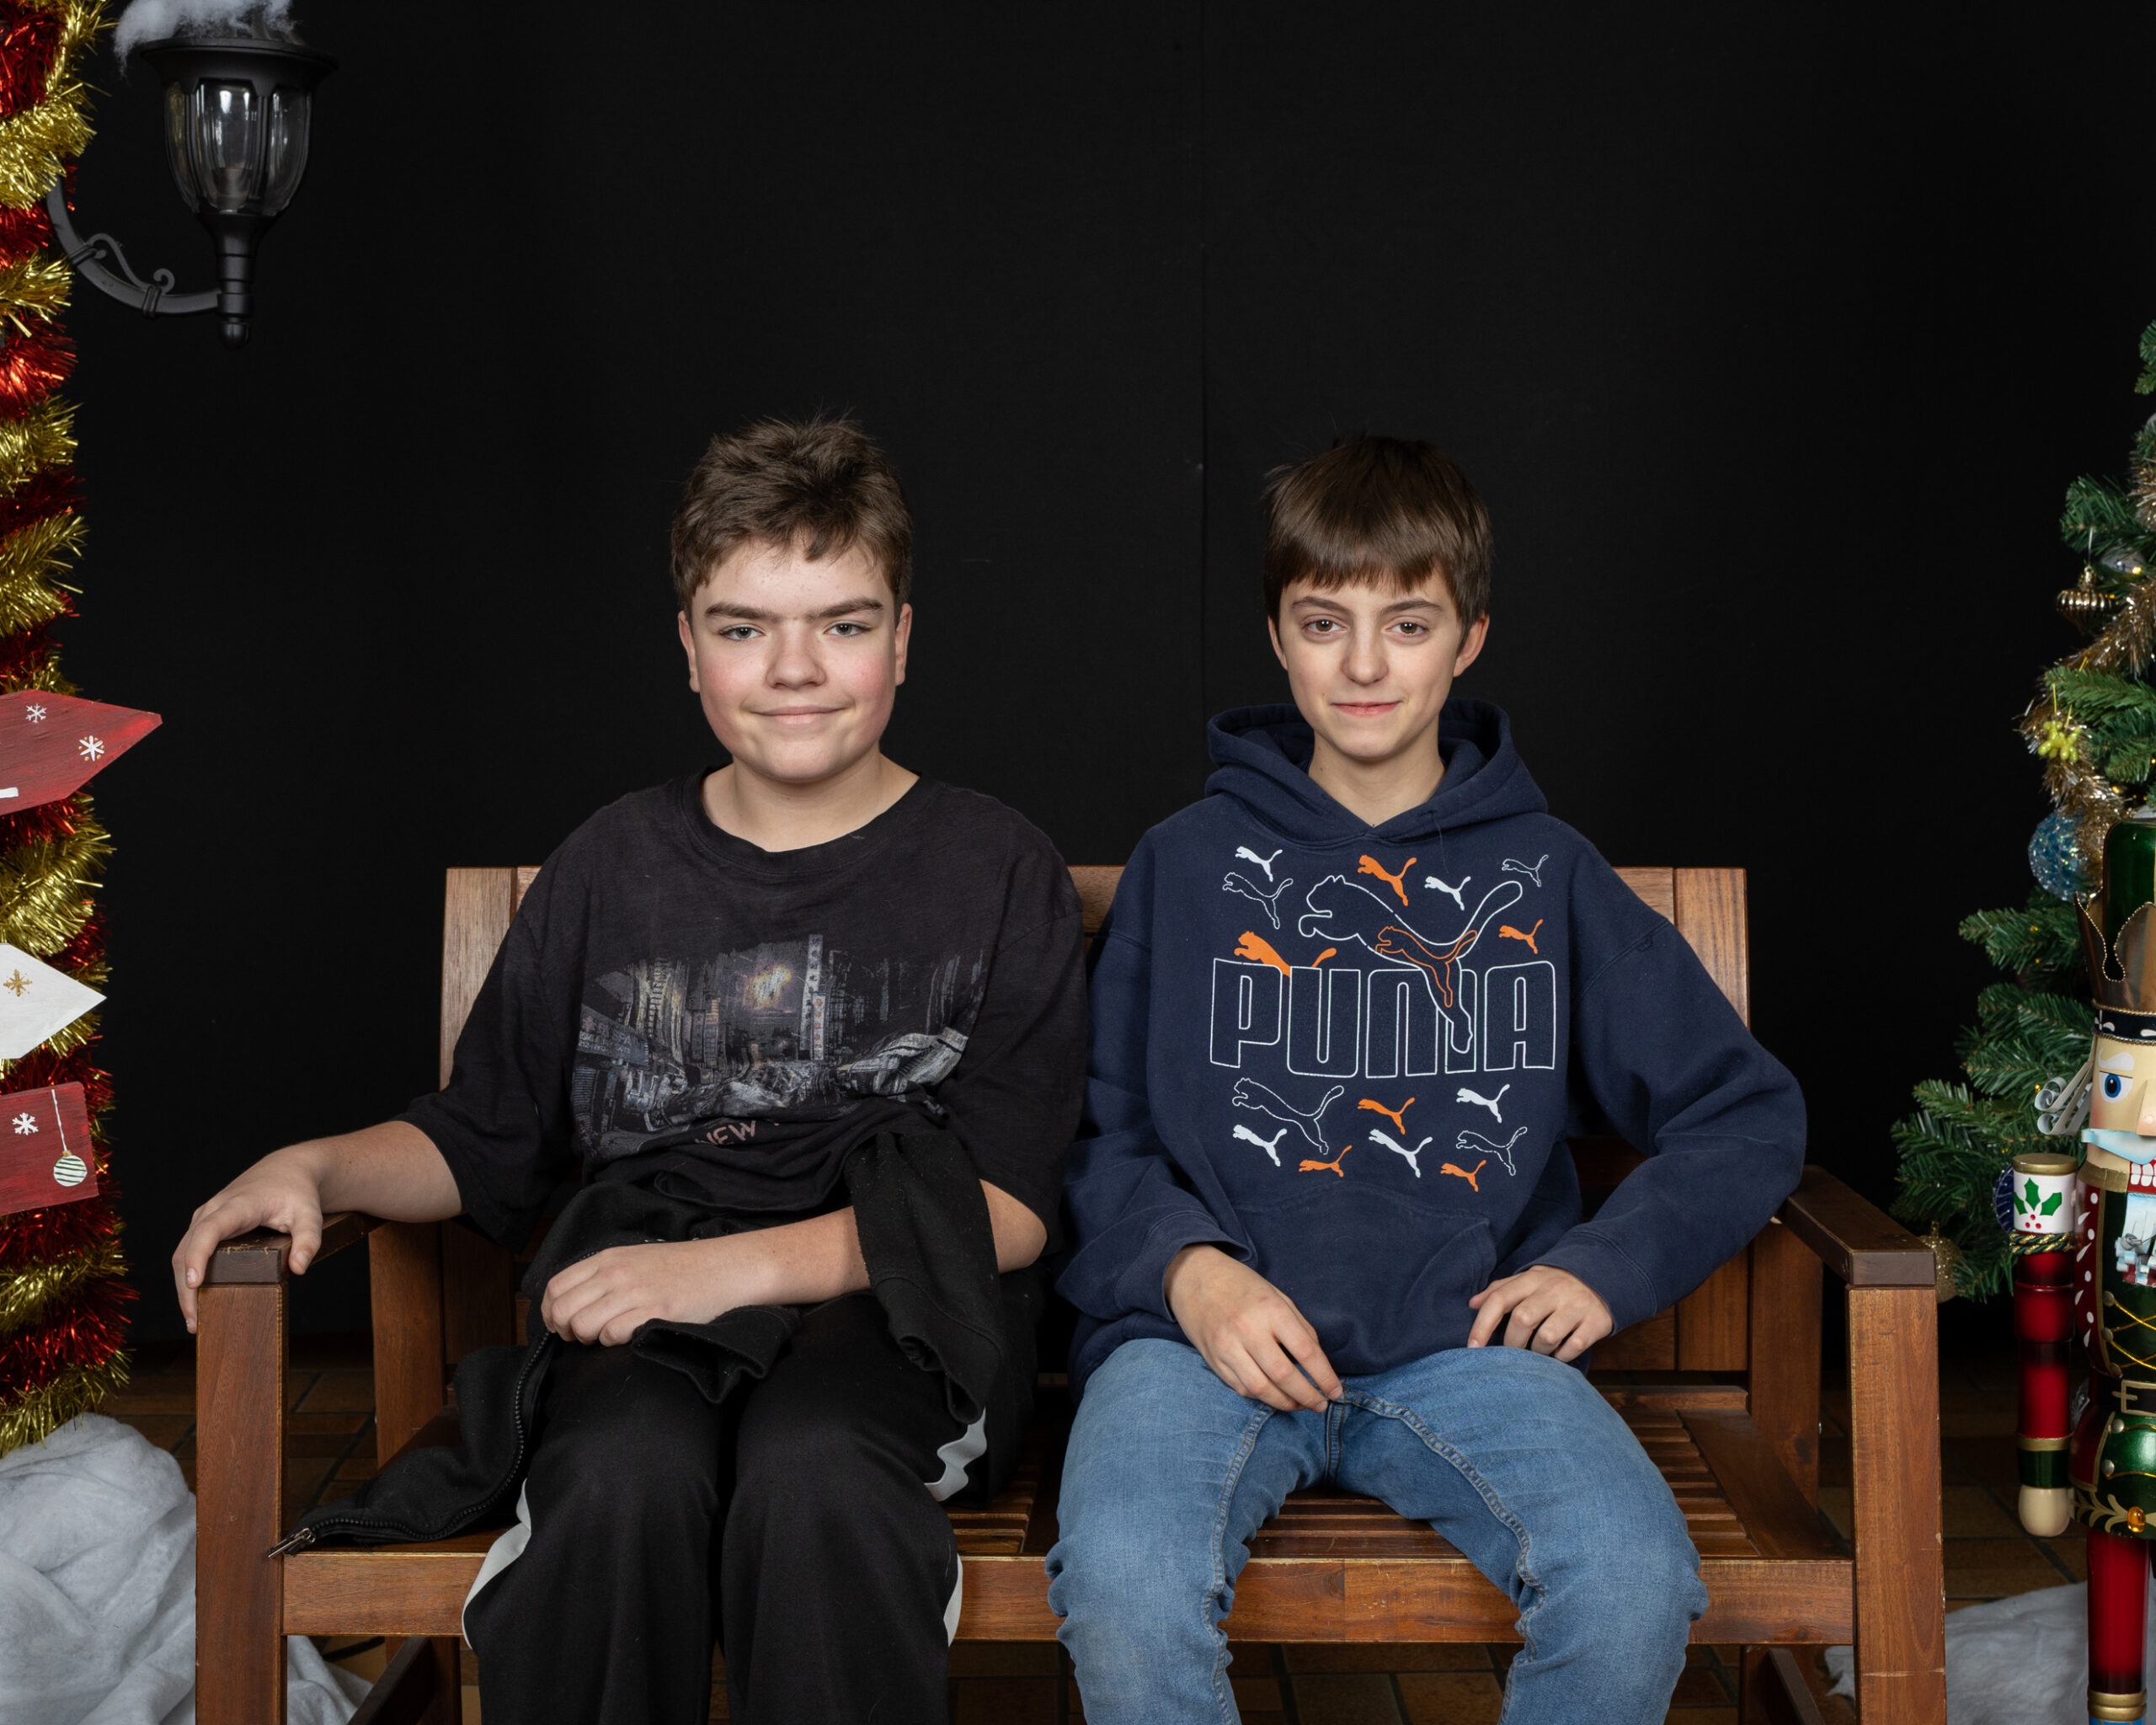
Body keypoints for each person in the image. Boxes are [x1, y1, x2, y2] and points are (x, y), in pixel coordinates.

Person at [171, 417, 1086, 1725]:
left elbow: (1010, 1207)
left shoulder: (995, 867)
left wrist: (724, 1271)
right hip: (646, 1296)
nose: (794, 670)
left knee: (815, 1470)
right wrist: (311, 1165)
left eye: (840, 624)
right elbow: (482, 1133)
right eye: (743, 627)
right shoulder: (613, 864)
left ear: (901, 639)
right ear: (689, 649)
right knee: (617, 1477)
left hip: (906, 1312)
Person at [1045, 434, 1806, 1723]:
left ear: (1469, 640)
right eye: (1323, 623)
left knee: (1630, 1583)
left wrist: (1601, 1269)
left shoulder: (1547, 874)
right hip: (1200, 1349)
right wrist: (1188, 1272)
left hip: (1465, 1354)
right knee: (1124, 1581)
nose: (1363, 665)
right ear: (1277, 638)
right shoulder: (1185, 864)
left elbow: (1745, 1113)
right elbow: (1094, 1136)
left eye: (1407, 624)